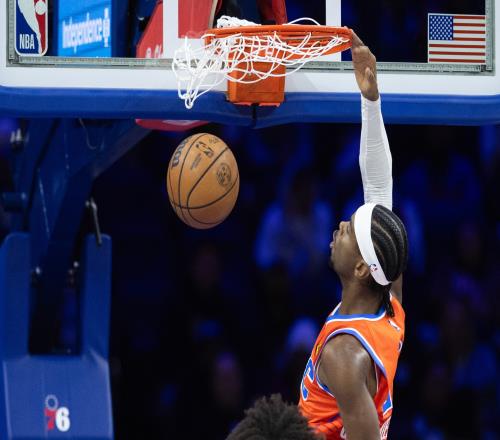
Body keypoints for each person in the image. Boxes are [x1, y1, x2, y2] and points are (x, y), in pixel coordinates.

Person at [297, 32, 408, 440]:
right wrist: (370, 99)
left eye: (350, 230)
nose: (341, 227)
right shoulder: (389, 309)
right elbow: (378, 190)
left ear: (362, 267)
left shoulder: (345, 354)